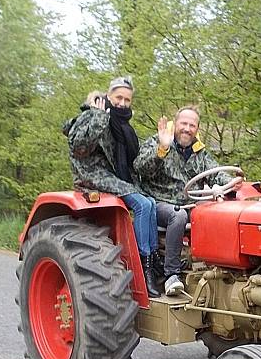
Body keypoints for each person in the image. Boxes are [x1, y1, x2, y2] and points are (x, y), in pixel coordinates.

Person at [63, 76, 160, 297]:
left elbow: (132, 160)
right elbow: (78, 147)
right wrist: (97, 117)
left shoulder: (123, 126)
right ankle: (144, 270)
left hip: (116, 178)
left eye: (127, 100)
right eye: (119, 98)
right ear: (109, 96)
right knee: (143, 205)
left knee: (151, 202)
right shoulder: (90, 116)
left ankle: (154, 263)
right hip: (93, 176)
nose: (123, 103)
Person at [134, 106, 233, 296]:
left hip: (190, 204)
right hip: (158, 204)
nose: (187, 128)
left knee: (217, 213)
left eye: (192, 125)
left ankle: (217, 269)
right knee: (177, 215)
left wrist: (232, 183)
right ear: (175, 123)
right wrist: (161, 149)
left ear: (197, 129)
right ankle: (171, 275)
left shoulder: (199, 152)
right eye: (184, 123)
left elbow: (216, 173)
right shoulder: (159, 141)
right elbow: (140, 167)